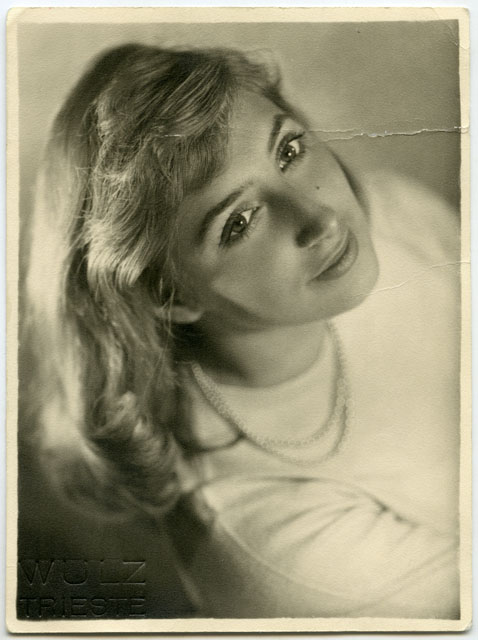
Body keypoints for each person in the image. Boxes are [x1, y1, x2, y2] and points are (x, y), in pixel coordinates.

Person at [24, 43, 460, 618]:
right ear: (171, 297)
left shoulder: (393, 214)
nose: (321, 217)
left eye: (289, 150)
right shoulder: (273, 544)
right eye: (239, 221)